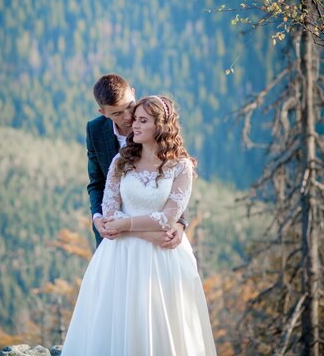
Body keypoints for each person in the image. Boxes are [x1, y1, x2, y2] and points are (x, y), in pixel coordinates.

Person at [62, 95, 217, 356]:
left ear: (161, 125)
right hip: (119, 257)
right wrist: (142, 231)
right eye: (134, 119)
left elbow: (168, 218)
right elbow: (110, 214)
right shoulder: (120, 162)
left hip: (165, 258)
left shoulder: (181, 167)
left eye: (142, 120)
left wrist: (131, 226)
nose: (133, 124)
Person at [86, 73, 188, 248]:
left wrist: (180, 222)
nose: (128, 117)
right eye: (117, 113)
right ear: (103, 112)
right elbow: (97, 183)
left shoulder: (155, 119)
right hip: (116, 239)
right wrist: (97, 218)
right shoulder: (95, 130)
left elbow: (176, 180)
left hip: (162, 236)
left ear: (133, 93)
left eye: (130, 107)